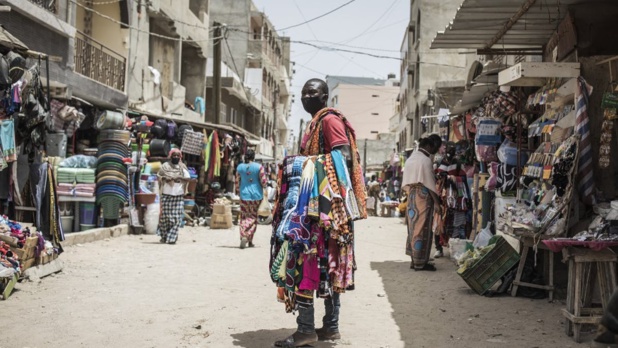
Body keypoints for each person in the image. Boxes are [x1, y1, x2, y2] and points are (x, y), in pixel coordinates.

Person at [273, 78, 367, 347]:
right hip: (321, 209)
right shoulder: (316, 122)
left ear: (324, 96)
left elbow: (343, 157)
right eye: (303, 93)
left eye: (311, 93)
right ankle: (330, 327)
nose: (306, 97)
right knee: (327, 267)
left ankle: (306, 330)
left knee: (306, 263)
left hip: (324, 210)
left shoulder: (328, 120)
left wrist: (304, 165)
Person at [401, 134, 443, 271]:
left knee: (413, 228)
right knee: (422, 229)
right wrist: (437, 203)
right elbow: (429, 183)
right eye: (435, 148)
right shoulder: (425, 160)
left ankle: (415, 260)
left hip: (412, 195)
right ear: (429, 146)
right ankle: (420, 263)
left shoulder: (412, 158)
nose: (435, 151)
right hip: (423, 196)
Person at [235, 149, 267, 249]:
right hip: (256, 195)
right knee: (253, 217)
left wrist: (237, 191)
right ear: (253, 157)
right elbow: (264, 181)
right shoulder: (259, 167)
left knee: (244, 216)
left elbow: (237, 181)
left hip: (244, 195)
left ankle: (245, 237)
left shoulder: (240, 167)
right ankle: (247, 235)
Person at [157, 149, 190, 244]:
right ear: (170, 156)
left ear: (180, 157)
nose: (175, 157)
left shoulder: (182, 167)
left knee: (176, 218)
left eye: (177, 156)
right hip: (166, 195)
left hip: (178, 195)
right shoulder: (165, 166)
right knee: (165, 218)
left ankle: (171, 238)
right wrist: (165, 178)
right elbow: (158, 176)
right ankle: (164, 236)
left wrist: (178, 177)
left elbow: (188, 178)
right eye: (174, 155)